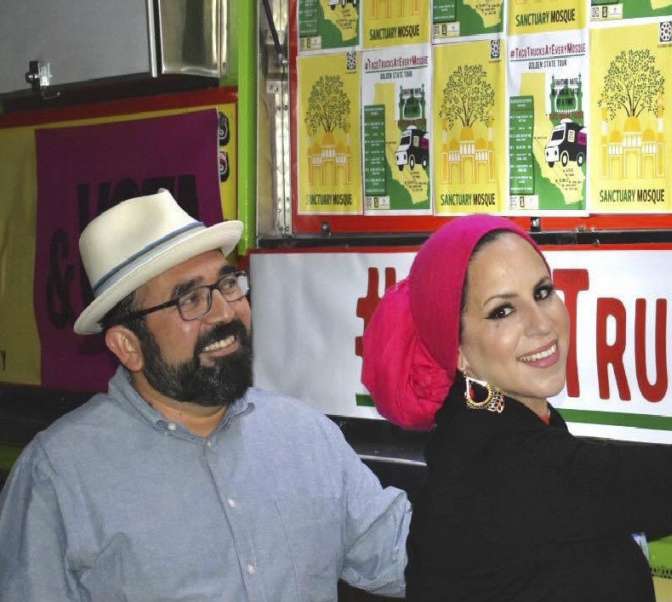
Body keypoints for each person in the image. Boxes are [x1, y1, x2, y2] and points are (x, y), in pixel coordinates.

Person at [361, 202, 672, 601]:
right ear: (458, 351)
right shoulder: (508, 464)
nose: (540, 323)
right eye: (502, 311)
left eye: (543, 291)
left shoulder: (485, 431)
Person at [0, 190, 412, 601]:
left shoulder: (304, 436)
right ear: (128, 345)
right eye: (190, 299)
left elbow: (406, 561)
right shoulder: (58, 475)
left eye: (228, 284)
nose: (226, 313)